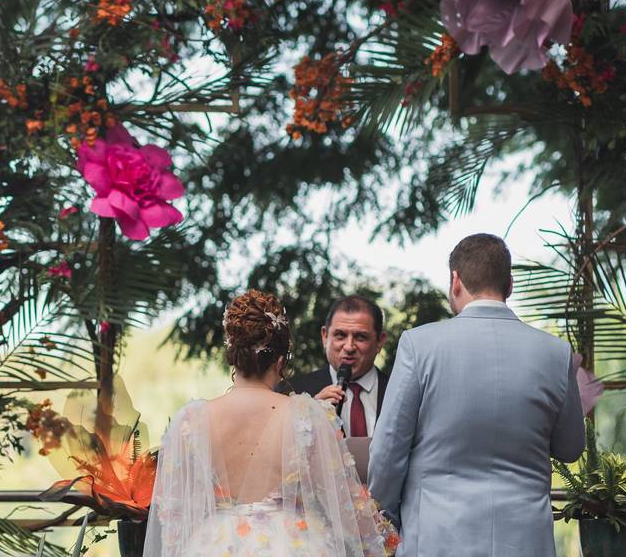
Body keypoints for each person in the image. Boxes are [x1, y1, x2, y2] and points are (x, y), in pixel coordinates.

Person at [369, 234, 586, 556]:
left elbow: (388, 450)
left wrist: (383, 520)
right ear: (509, 284)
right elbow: (570, 448)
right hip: (525, 541)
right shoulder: (555, 353)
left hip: (436, 537)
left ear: (455, 280)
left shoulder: (420, 345)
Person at [143, 289, 391, 557]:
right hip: (294, 545)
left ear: (232, 356)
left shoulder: (189, 420)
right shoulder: (307, 416)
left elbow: (173, 520)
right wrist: (383, 543)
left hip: (213, 546)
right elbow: (348, 510)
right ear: (281, 360)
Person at [283, 296, 388, 437]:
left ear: (379, 341)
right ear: (325, 337)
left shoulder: (399, 391)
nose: (349, 347)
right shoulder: (291, 392)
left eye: (360, 337)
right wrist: (310, 415)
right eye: (340, 335)